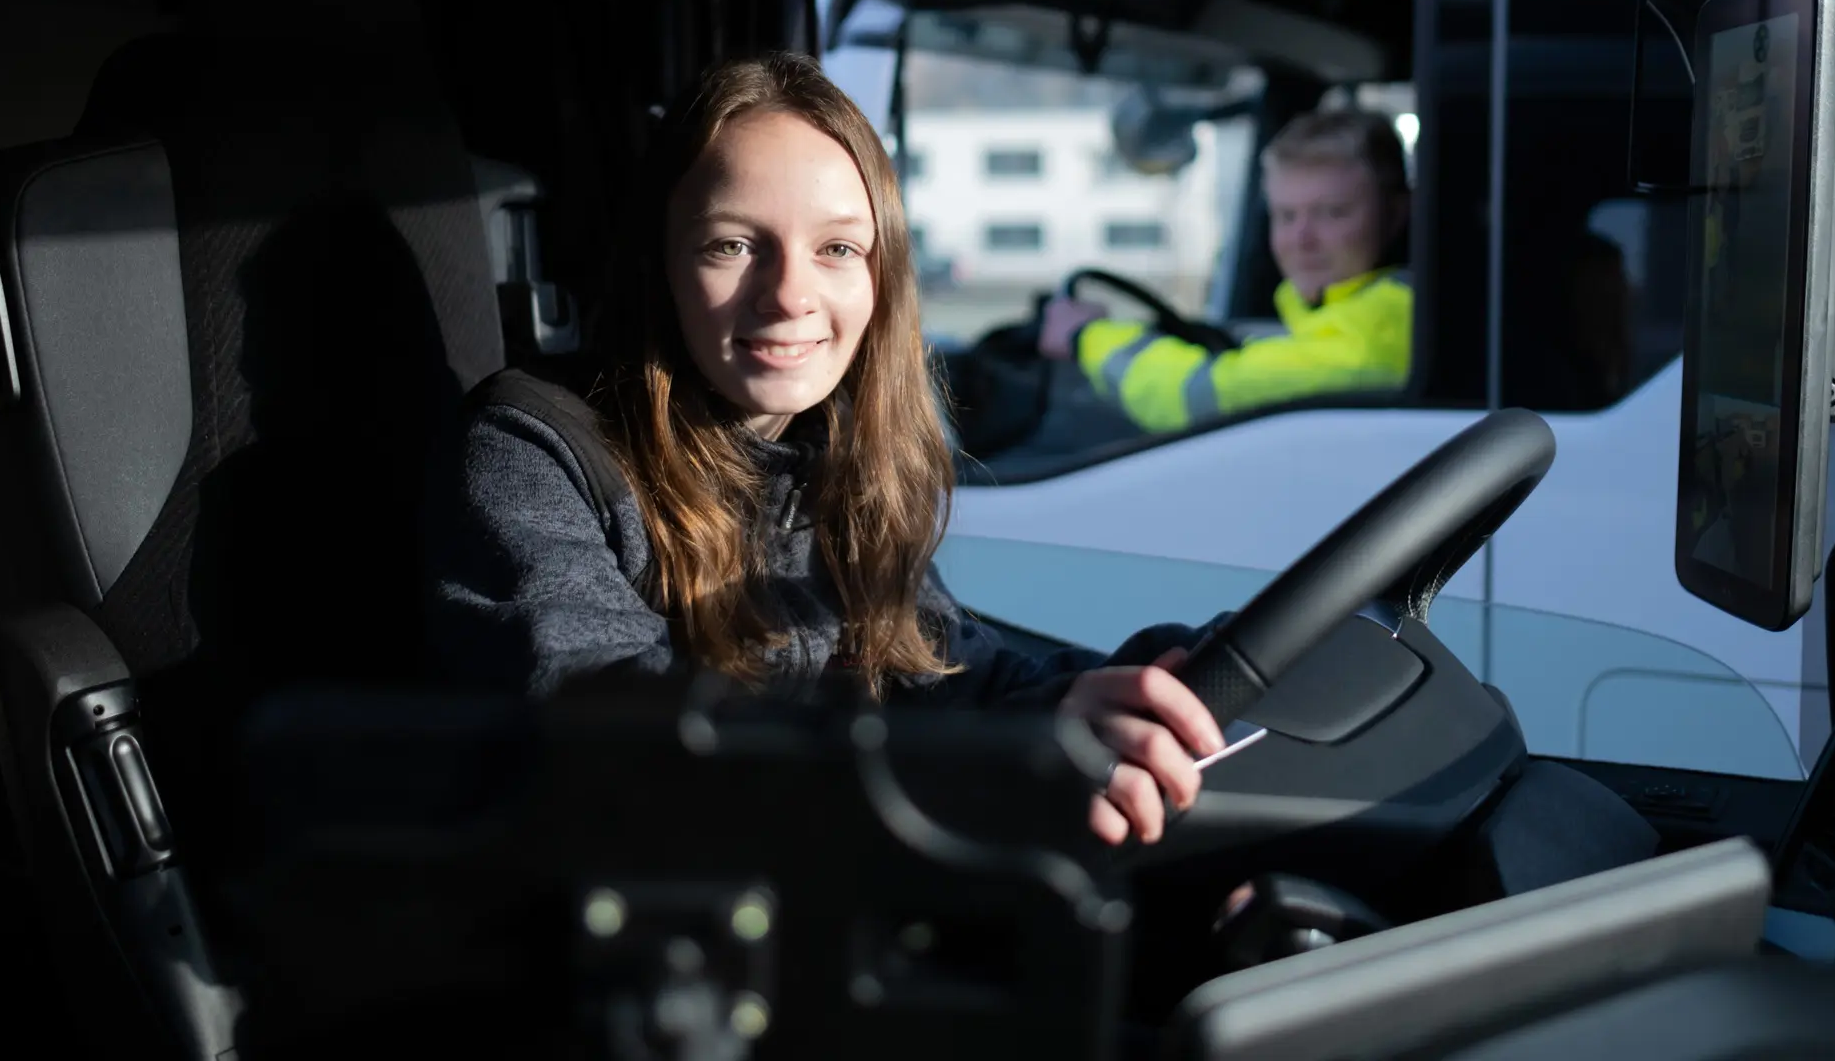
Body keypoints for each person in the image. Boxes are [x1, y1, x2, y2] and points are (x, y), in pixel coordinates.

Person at [420, 51, 1231, 847]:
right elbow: (618, 726)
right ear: (660, 266)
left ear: (881, 279)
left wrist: (1141, 683)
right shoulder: (531, 453)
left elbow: (943, 677)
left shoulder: (834, 459)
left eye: (837, 249)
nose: (789, 296)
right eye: (732, 245)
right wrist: (976, 762)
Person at [1038, 109, 1414, 433]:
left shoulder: (1380, 329)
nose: (1301, 239)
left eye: (1332, 213)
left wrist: (1084, 336)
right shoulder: (1357, 312)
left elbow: (1197, 396)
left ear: (1396, 214)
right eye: (1285, 215)